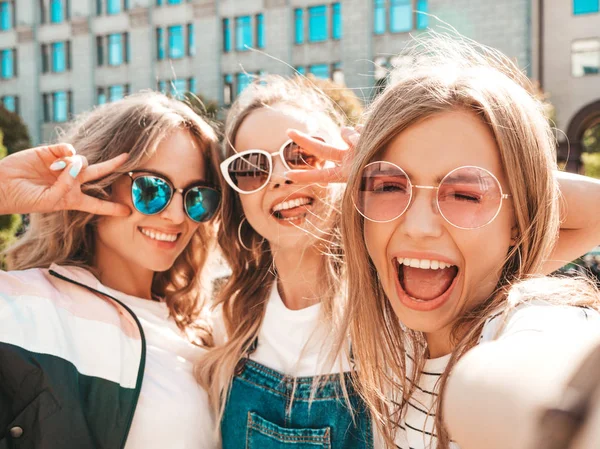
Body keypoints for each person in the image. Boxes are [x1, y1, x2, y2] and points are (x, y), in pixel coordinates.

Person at [286, 36, 600, 448]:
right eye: (389, 186)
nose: (418, 226)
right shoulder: (398, 341)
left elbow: (543, 375)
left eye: (466, 194)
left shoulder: (529, 325)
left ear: (517, 223)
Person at [0, 92, 222, 449]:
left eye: (197, 196)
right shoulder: (27, 307)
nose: (176, 216)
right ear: (98, 185)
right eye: (152, 189)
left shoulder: (208, 330)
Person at [196, 76, 373, 448]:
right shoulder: (228, 322)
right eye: (251, 168)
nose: (280, 177)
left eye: (302, 154)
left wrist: (382, 178)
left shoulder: (391, 314)